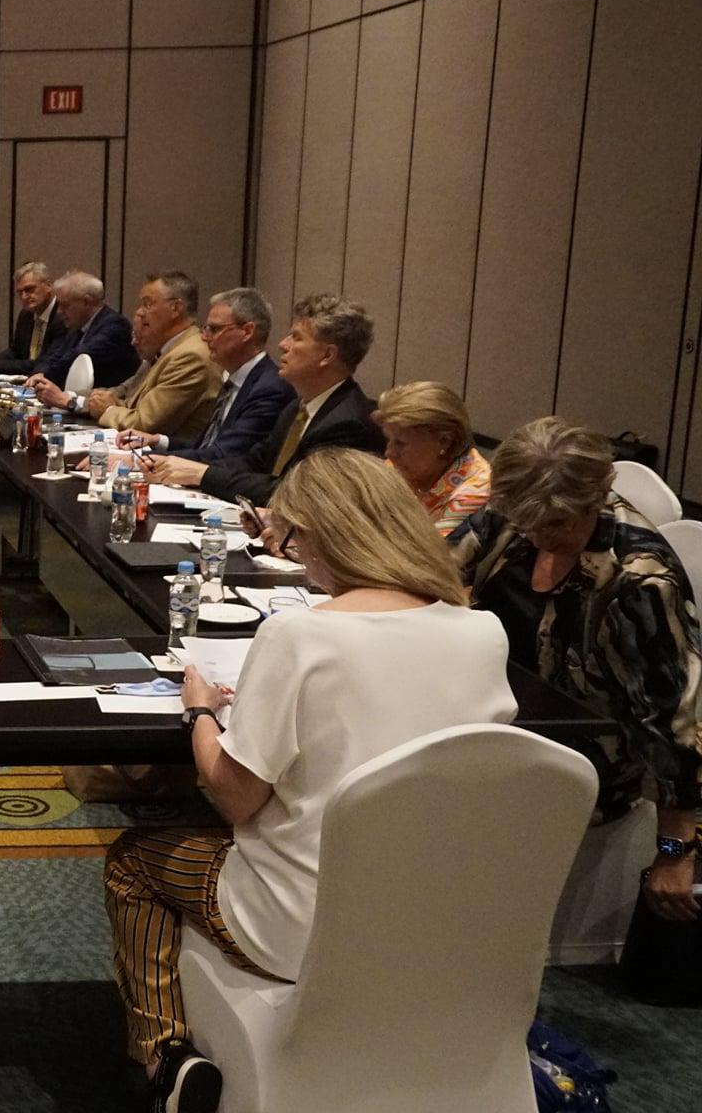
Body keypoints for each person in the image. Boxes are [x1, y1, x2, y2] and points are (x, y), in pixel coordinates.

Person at [105, 447, 518, 1112]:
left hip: (304, 922)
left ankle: (164, 1062)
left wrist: (201, 713)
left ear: (323, 535)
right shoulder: (483, 632)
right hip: (446, 913)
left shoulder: (299, 635)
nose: (292, 554)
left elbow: (237, 798)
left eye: (292, 537)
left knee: (133, 860)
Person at [452, 417, 702, 924]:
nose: (538, 537)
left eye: (555, 526)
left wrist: (675, 853)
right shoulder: (520, 510)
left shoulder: (640, 583)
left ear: (597, 497)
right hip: (500, 710)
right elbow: (435, 568)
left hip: (585, 756)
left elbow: (674, 723)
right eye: (527, 524)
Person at [146, 294, 382, 507]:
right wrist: (178, 466)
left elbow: (294, 495)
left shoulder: (347, 423)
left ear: (327, 355)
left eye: (296, 337)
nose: (282, 345)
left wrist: (203, 475)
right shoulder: (296, 409)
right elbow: (252, 463)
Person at [30, 271, 219, 438]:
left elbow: (144, 423)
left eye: (147, 304)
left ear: (175, 308)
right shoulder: (169, 349)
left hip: (166, 456)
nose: (140, 312)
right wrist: (70, 397)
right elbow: (126, 394)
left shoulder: (189, 356)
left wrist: (104, 407)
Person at [116, 287, 288, 465]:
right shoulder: (234, 380)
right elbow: (208, 445)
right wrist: (157, 441)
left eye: (214, 329)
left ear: (247, 332)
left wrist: (139, 459)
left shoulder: (269, 389)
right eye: (206, 329)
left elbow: (224, 455)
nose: (205, 338)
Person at [373, 381, 490, 536]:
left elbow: (424, 550)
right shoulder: (409, 465)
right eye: (389, 440)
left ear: (444, 441)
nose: (389, 453)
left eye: (400, 443)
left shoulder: (472, 496)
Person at [28, 270, 138, 393]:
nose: (59, 311)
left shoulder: (115, 326)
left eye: (65, 305)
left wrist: (45, 376)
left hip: (102, 401)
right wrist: (40, 372)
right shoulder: (78, 325)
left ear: (86, 302)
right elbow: (53, 356)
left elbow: (77, 357)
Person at [0, 261, 71, 376]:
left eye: (29, 289)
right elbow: (15, 352)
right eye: (20, 292)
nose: (24, 296)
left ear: (48, 286)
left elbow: (45, 363)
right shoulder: (26, 315)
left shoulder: (63, 317)